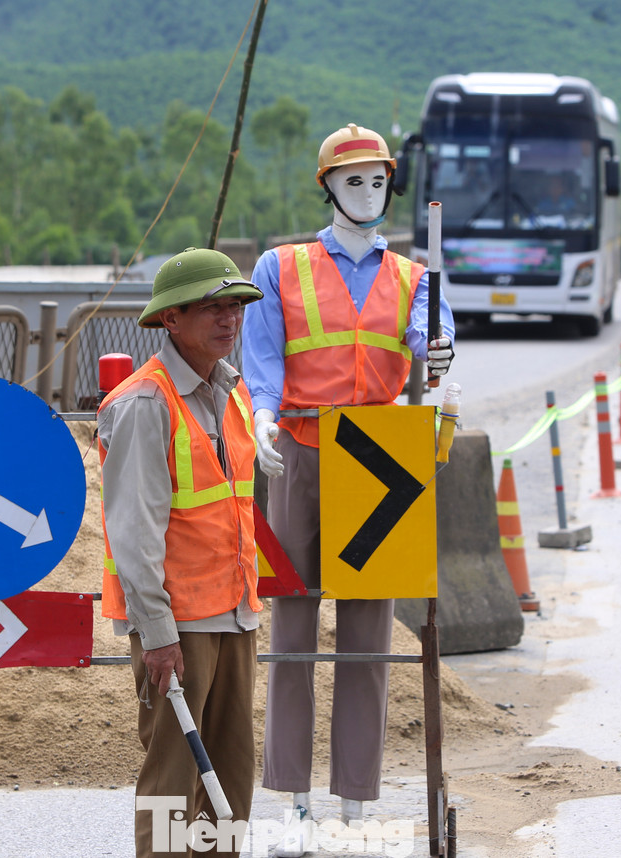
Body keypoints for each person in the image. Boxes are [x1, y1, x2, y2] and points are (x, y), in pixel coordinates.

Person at [241, 123, 455, 856]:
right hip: (300, 448)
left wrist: (438, 348)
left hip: (378, 461)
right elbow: (263, 354)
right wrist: (262, 416)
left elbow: (432, 336)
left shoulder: (415, 277)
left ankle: (356, 809)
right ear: (327, 186)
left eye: (378, 181)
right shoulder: (281, 266)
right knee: (292, 628)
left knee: (368, 635)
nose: (368, 192)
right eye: (353, 180)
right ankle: (296, 805)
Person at [97, 247, 265, 858]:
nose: (229, 319)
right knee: (173, 783)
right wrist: (158, 632)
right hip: (180, 625)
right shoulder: (145, 402)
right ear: (171, 319)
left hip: (234, 614)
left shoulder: (231, 391)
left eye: (235, 307)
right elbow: (134, 531)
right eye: (212, 308)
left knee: (230, 781)